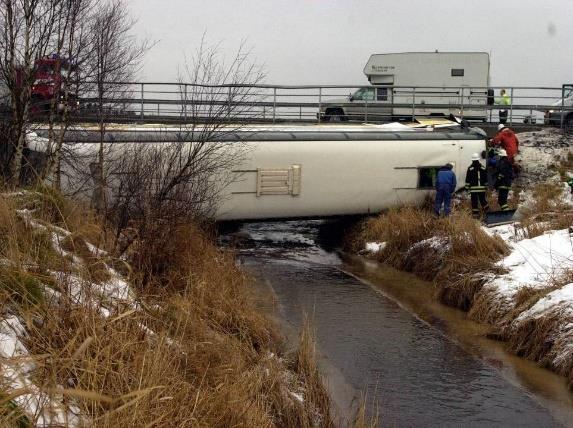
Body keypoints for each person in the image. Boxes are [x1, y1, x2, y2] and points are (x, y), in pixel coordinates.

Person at [465, 153, 489, 218]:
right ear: (478, 160)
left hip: (473, 189)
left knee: (474, 202)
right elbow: (486, 178)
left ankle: (476, 216)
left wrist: (466, 188)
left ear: (472, 160)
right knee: (483, 201)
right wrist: (486, 187)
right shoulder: (483, 168)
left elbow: (467, 179)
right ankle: (488, 213)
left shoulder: (470, 168)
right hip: (482, 188)